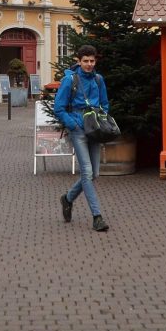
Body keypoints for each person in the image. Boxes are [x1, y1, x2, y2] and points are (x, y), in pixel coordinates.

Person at [53, 45, 111, 232]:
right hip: (78, 130)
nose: (89, 64)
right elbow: (59, 108)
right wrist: (73, 125)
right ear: (79, 61)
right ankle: (97, 216)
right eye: (85, 61)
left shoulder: (98, 79)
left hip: (95, 129)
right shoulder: (70, 80)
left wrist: (101, 119)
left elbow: (104, 104)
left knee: (94, 174)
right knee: (86, 172)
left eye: (92, 61)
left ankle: (68, 198)